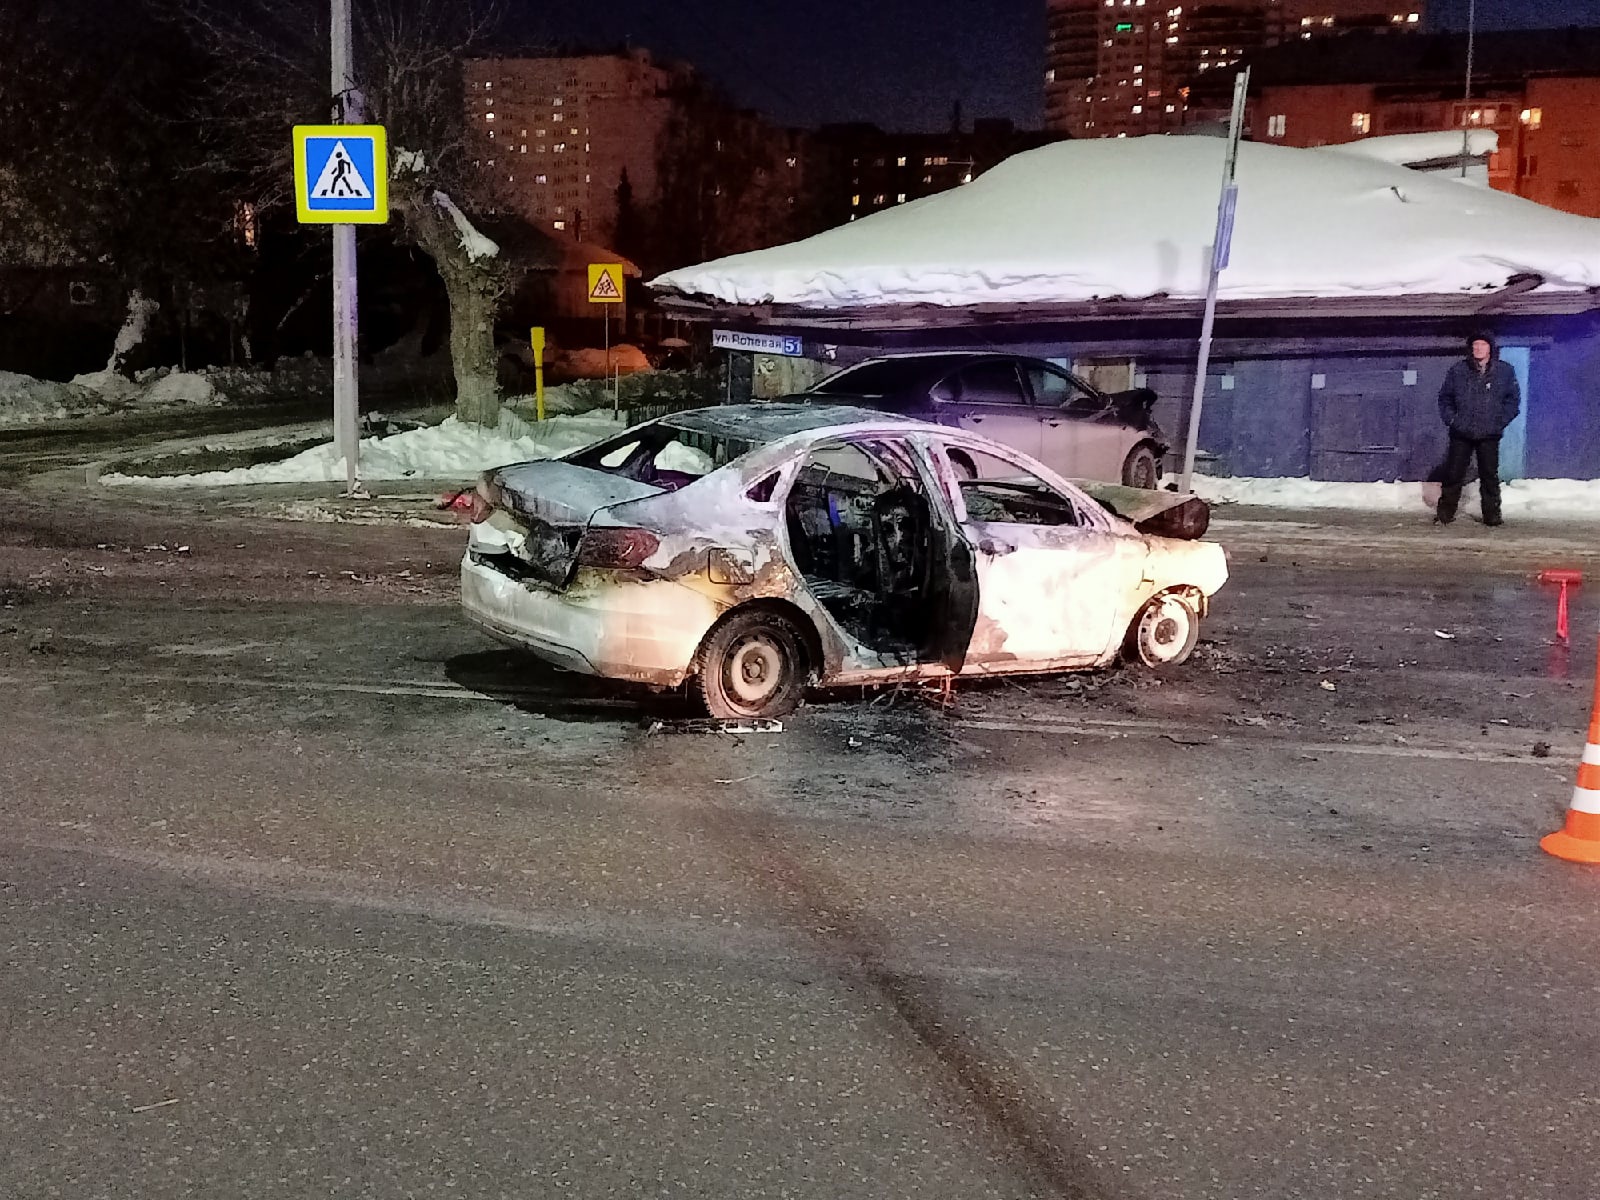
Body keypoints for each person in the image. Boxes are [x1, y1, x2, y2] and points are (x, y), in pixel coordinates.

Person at [1435, 332, 1520, 527]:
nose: (1479, 348)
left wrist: (1499, 422)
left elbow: (1512, 401)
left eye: (1483, 344)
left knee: (1489, 475)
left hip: (1489, 433)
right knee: (1454, 474)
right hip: (1461, 432)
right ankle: (1445, 514)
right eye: (1475, 345)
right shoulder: (1458, 370)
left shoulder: (1505, 372)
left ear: (1490, 348)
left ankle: (1492, 515)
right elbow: (1445, 398)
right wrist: (1454, 420)